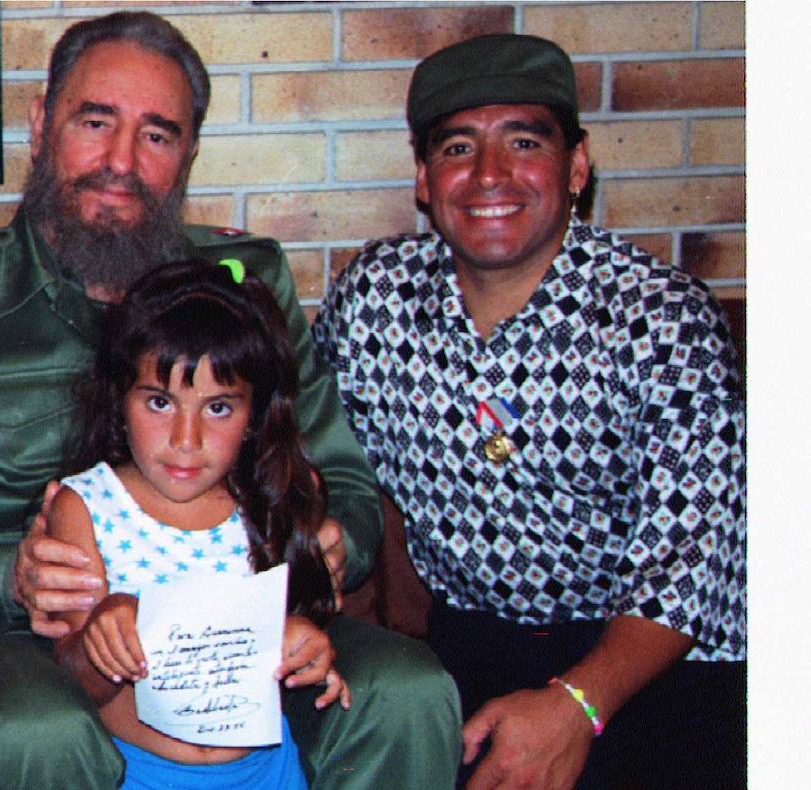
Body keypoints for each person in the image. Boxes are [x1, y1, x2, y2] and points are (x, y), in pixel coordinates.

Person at [0, 11, 460, 789]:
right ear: (42, 124)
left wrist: (332, 543)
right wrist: (13, 578)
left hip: (243, 629)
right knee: (37, 733)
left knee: (406, 692)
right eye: (96, 122)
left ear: (188, 153)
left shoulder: (247, 287)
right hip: (11, 643)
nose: (121, 161)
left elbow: (346, 482)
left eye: (158, 135)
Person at [313, 33, 747, 789]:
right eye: (457, 148)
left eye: (523, 141)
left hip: (650, 662)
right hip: (472, 644)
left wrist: (578, 705)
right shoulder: (374, 300)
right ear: (423, 178)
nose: (489, 175)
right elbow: (305, 447)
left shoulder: (662, 318)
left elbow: (693, 563)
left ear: (576, 166)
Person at [50, 260, 353, 789]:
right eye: (161, 402)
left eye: (217, 408)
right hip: (142, 774)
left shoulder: (271, 499)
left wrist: (306, 644)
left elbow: (296, 637)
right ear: (120, 399)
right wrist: (106, 625)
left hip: (268, 773)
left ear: (255, 414)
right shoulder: (89, 506)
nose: (186, 438)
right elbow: (76, 682)